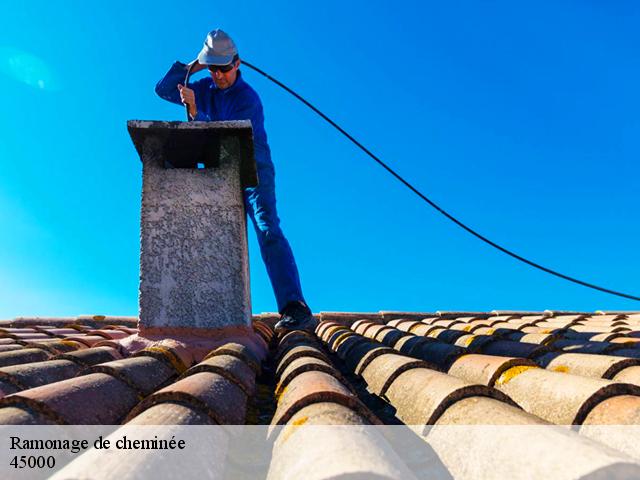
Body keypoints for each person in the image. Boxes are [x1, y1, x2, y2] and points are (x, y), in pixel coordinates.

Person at [155, 29, 316, 332]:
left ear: (237, 64)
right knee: (213, 234)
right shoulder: (204, 85)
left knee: (267, 228)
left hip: (253, 170)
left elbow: (227, 134)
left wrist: (195, 110)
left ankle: (295, 306)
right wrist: (194, 66)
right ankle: (213, 310)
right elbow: (163, 89)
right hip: (221, 171)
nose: (219, 75)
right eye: (214, 68)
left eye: (224, 68)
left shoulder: (247, 98)